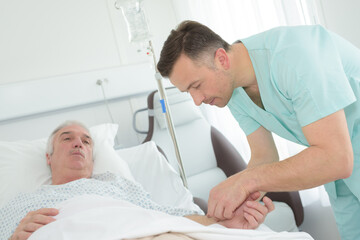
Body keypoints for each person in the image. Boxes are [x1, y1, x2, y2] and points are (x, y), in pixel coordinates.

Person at [157, 20, 360, 240]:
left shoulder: (293, 56)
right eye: (188, 92)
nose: (197, 100)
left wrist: (246, 181)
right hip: (335, 165)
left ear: (221, 59)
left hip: (338, 155)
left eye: (196, 86)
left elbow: (337, 158)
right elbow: (265, 156)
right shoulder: (232, 90)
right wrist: (241, 205)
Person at [1, 121, 274, 240]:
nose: (78, 144)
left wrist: (225, 223)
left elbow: (165, 217)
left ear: (93, 159)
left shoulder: (117, 185)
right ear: (48, 158)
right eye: (67, 138)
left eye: (86, 141)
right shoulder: (25, 202)